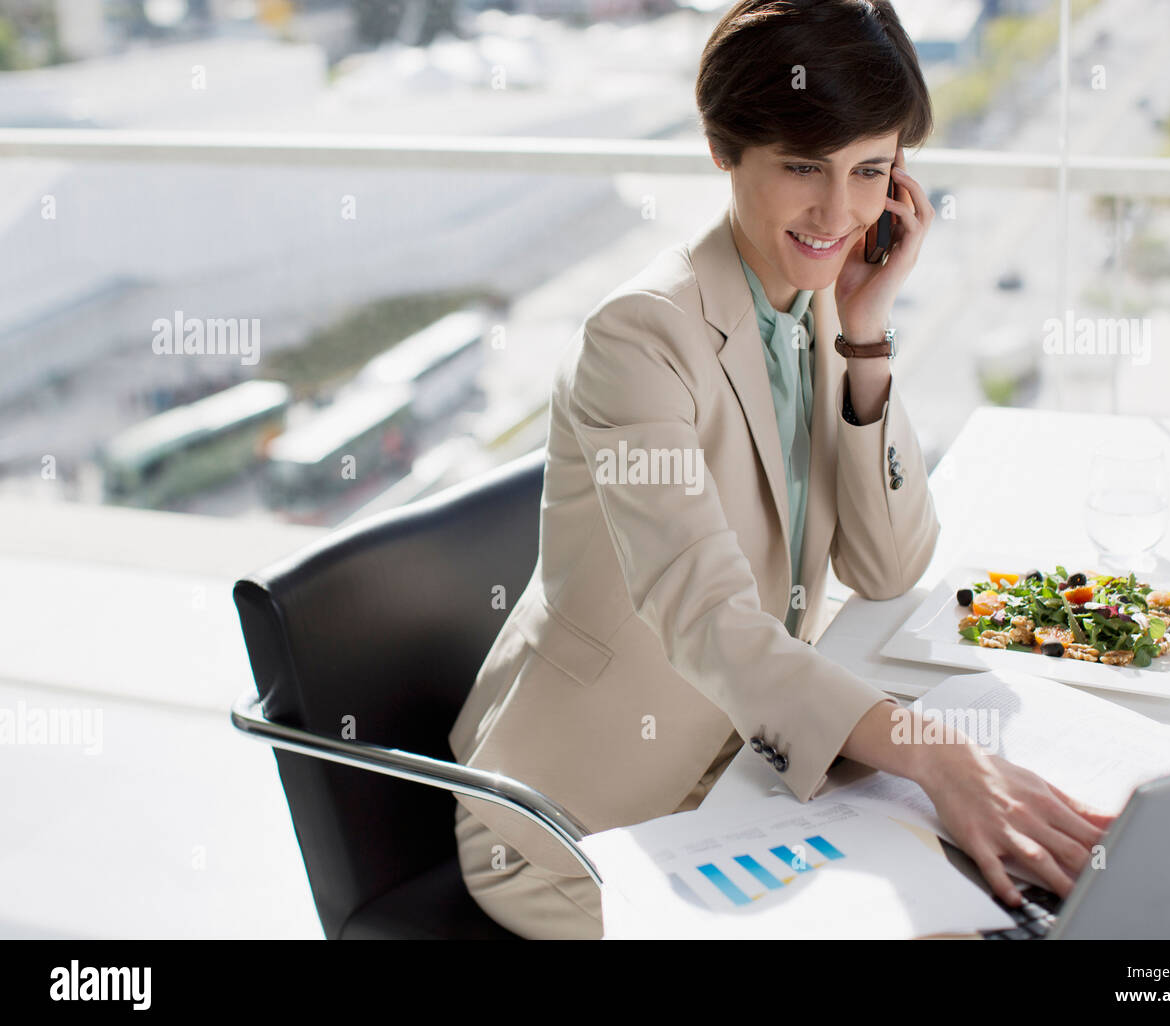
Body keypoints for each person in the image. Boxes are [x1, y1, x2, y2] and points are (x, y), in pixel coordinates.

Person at [449, 0, 1115, 940]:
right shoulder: (639, 336)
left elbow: (888, 566)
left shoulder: (816, 311)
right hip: (581, 830)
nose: (839, 214)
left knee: (995, 905)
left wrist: (867, 331)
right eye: (804, 167)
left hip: (749, 775)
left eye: (870, 171)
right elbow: (708, 617)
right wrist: (937, 755)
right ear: (725, 149)